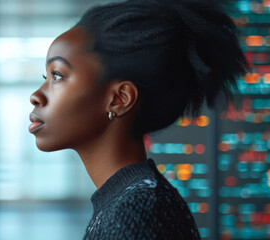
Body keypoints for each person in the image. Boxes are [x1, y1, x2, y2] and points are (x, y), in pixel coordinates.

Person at [27, 0, 250, 239]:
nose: (36, 96)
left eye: (57, 75)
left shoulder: (137, 213)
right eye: (46, 76)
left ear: (119, 99)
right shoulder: (133, 202)